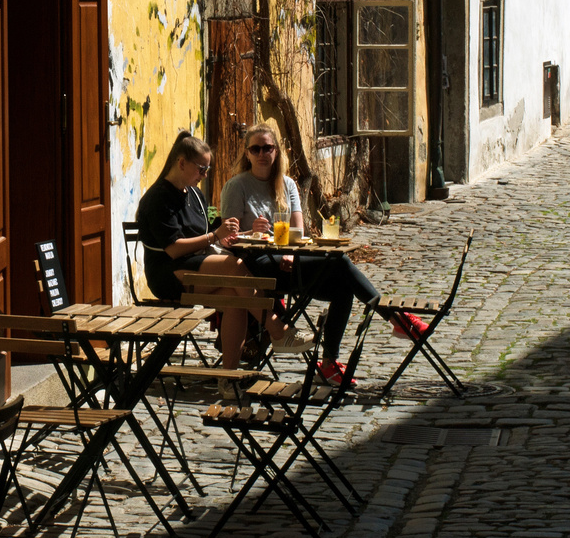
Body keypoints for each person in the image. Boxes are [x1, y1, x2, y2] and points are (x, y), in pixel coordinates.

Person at [218, 123, 428, 387]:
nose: (262, 153)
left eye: (268, 148)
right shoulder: (237, 186)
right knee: (339, 261)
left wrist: (292, 255)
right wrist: (252, 230)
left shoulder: (288, 184)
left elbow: (297, 228)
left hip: (288, 262)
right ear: (247, 153)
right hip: (257, 265)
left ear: (276, 151)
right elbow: (229, 236)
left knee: (343, 288)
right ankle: (395, 317)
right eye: (256, 148)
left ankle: (329, 364)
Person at [136, 131, 291, 368]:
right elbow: (174, 250)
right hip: (168, 273)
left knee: (235, 298)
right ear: (181, 163)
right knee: (233, 265)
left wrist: (243, 234)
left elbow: (210, 233)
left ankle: (228, 378)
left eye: (207, 170)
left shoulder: (195, 194)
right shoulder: (158, 198)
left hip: (197, 266)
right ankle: (277, 329)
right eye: (201, 169)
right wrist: (213, 236)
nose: (205, 175)